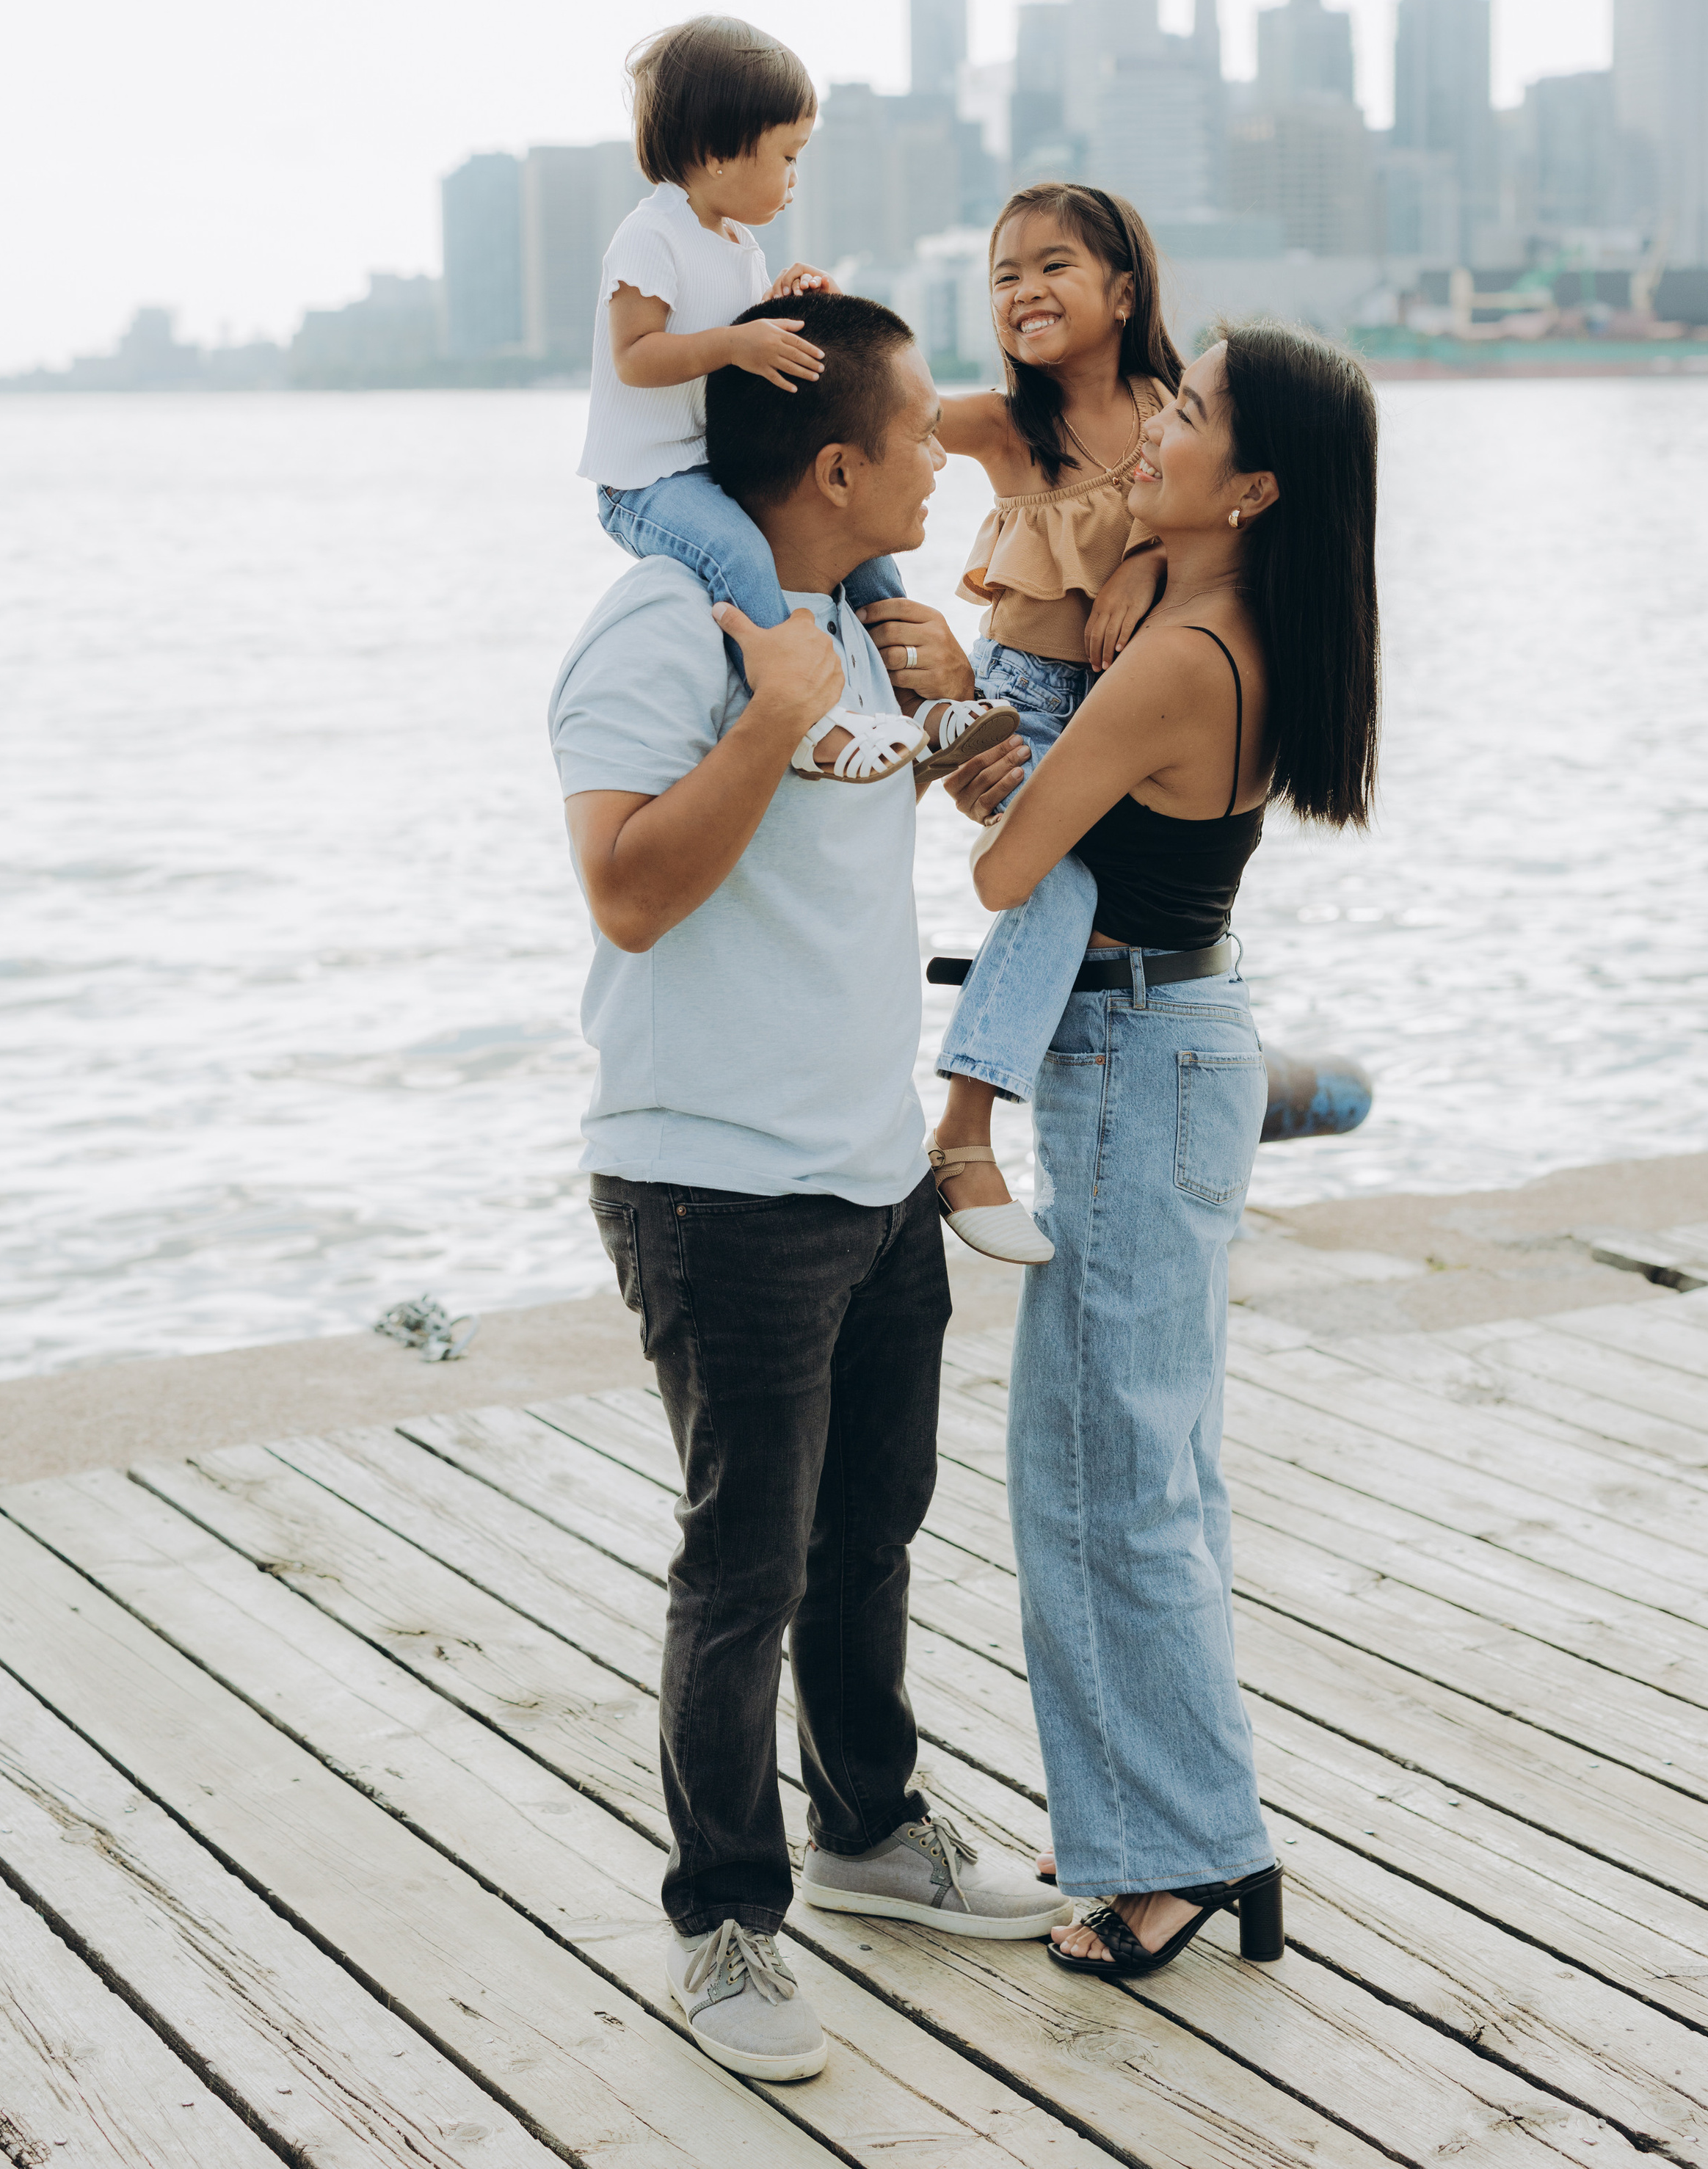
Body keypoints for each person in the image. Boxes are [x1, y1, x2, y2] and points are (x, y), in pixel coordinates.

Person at [550, 291, 1064, 2087]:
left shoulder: (858, 621)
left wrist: (960, 729)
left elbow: (897, 812)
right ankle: (724, 1918)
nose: (947, 445)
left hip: (865, 1170)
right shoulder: (661, 633)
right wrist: (764, 719)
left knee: (868, 1529)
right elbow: (624, 889)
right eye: (922, 423)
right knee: (742, 1561)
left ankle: (865, 1827)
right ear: (837, 461)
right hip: (713, 1185)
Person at [941, 321, 1381, 1978]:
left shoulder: (1176, 660)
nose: (1152, 432)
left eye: (1186, 415)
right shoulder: (1234, 628)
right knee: (1155, 1465)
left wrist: (949, 720)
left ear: (1251, 484)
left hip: (1129, 1060)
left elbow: (1005, 873)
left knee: (1091, 1477)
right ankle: (1167, 1814)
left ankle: (1170, 1851)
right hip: (1185, 1042)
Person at [581, 11, 1014, 788]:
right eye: (786, 157)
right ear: (717, 153)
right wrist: (734, 345)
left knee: (870, 560)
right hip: (647, 481)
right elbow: (636, 357)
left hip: (714, 465)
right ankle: (809, 722)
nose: (792, 180)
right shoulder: (648, 238)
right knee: (740, 553)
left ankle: (915, 702)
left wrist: (781, 303)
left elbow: (744, 336)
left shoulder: (737, 246)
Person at [900, 182, 1182, 1265]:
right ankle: (964, 1129)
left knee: (1103, 892)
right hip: (1015, 705)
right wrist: (794, 315)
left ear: (1121, 289)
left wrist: (1148, 559)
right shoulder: (1014, 425)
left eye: (1053, 266)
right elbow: (889, 414)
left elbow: (1219, 525)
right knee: (1060, 878)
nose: (1024, 289)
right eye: (1004, 275)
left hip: (1116, 721)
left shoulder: (1176, 412)